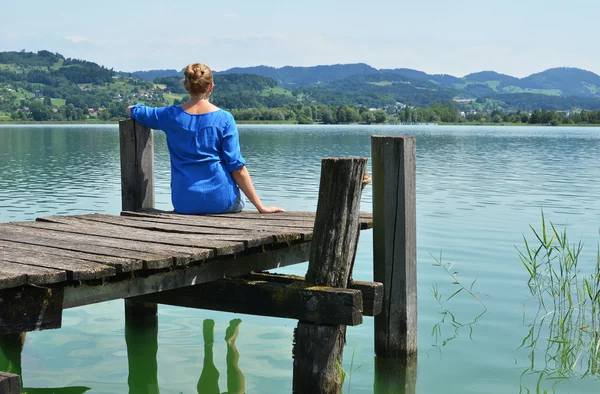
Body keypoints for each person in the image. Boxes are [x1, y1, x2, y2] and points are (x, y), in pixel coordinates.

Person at [126, 63, 284, 215]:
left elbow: (133, 110)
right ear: (211, 86)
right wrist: (261, 206)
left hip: (185, 202)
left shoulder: (169, 116)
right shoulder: (225, 119)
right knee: (239, 198)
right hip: (221, 200)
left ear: (185, 85)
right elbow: (237, 168)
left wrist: (132, 108)